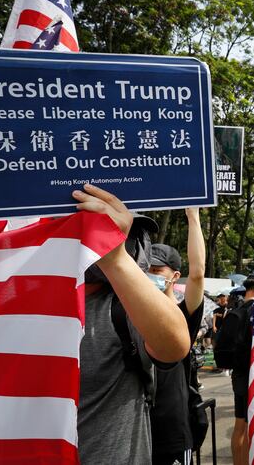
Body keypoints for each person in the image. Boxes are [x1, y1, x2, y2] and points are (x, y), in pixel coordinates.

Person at [72, 184, 191, 464]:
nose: (120, 238)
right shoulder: (23, 303)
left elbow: (174, 344)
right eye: (101, 226)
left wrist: (114, 258)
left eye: (128, 234)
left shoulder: (124, 306)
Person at [148, 208, 206, 465]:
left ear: (174, 276)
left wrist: (193, 216)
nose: (148, 276)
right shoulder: (133, 314)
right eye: (145, 268)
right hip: (139, 430)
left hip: (171, 432)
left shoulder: (183, 315)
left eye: (156, 271)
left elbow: (198, 273)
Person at [228, 272, 254, 465]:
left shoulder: (234, 313)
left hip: (239, 376)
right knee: (253, 427)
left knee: (239, 425)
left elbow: (221, 349)